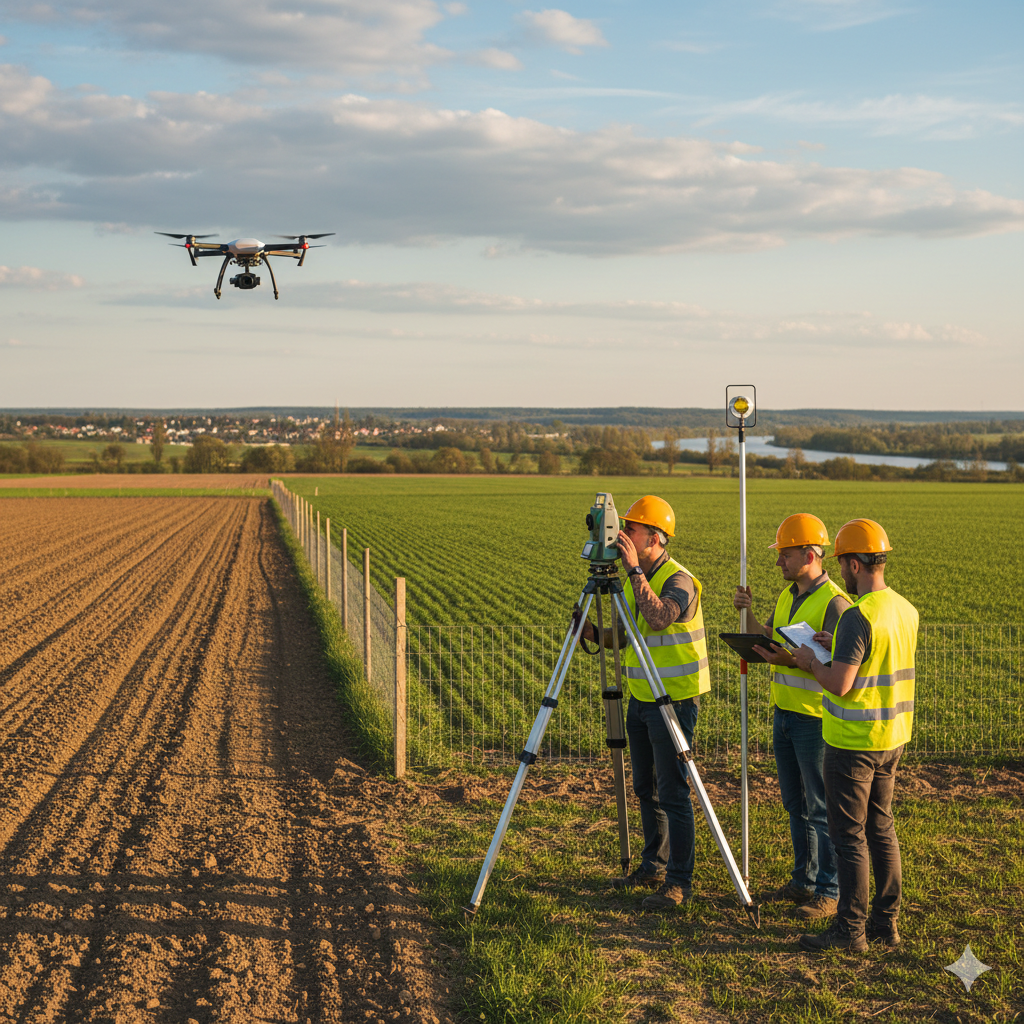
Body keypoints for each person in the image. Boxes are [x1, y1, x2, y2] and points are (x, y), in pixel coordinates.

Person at [790, 519, 918, 952]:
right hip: (892, 736)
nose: (841, 570)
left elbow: (841, 683)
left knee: (849, 838)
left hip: (852, 741)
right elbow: (875, 661)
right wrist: (837, 642)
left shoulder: (858, 616)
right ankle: (886, 922)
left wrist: (811, 661)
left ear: (855, 563)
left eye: (843, 561)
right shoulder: (904, 609)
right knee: (882, 828)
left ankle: (850, 930)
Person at [581, 495, 709, 911]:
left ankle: (679, 881)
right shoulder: (641, 578)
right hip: (640, 697)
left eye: (631, 530)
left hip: (673, 701)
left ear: (654, 538)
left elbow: (658, 618)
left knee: (673, 792)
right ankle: (653, 863)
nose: (623, 536)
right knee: (646, 788)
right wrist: (594, 634)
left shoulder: (677, 579)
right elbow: (627, 634)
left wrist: (634, 571)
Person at [734, 513, 850, 921]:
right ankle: (803, 879)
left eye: (785, 553)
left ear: (810, 553)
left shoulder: (835, 602)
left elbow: (840, 664)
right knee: (794, 803)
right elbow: (770, 637)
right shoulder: (788, 595)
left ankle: (828, 891)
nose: (779, 560)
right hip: (784, 713)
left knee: (821, 807)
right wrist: (746, 616)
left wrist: (790, 661)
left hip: (815, 720)